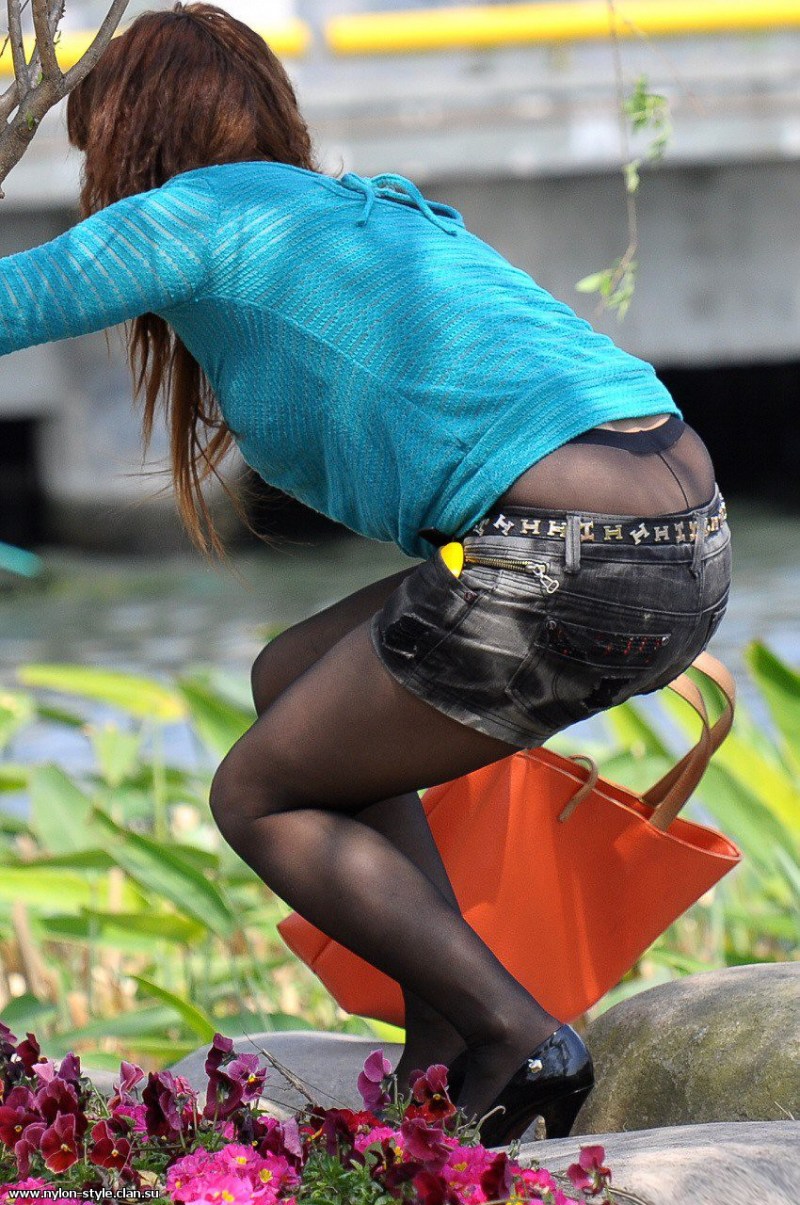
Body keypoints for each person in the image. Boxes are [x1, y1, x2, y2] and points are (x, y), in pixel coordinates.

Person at [0, 2, 731, 1147]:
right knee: (293, 674)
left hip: (566, 553)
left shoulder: (191, 210)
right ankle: (443, 1034)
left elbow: (9, 304)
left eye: (93, 148)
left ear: (131, 139)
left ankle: (512, 1032)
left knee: (255, 793)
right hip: (682, 531)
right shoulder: (359, 211)